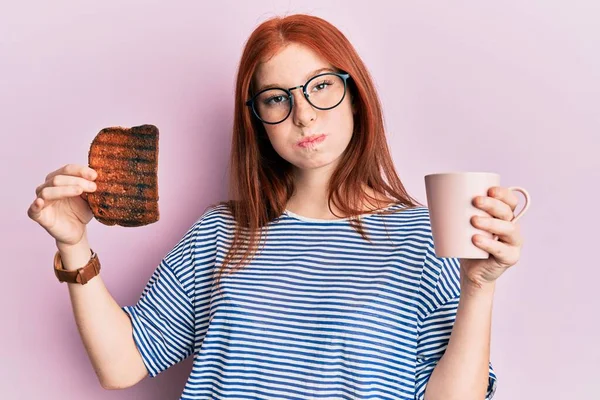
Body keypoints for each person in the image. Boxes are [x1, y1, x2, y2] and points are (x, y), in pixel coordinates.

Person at [27, 14, 525, 400]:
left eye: (321, 86)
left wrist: (478, 287)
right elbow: (122, 365)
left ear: (356, 96)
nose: (304, 113)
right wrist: (74, 243)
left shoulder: (427, 235)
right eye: (276, 98)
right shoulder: (222, 232)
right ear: (258, 119)